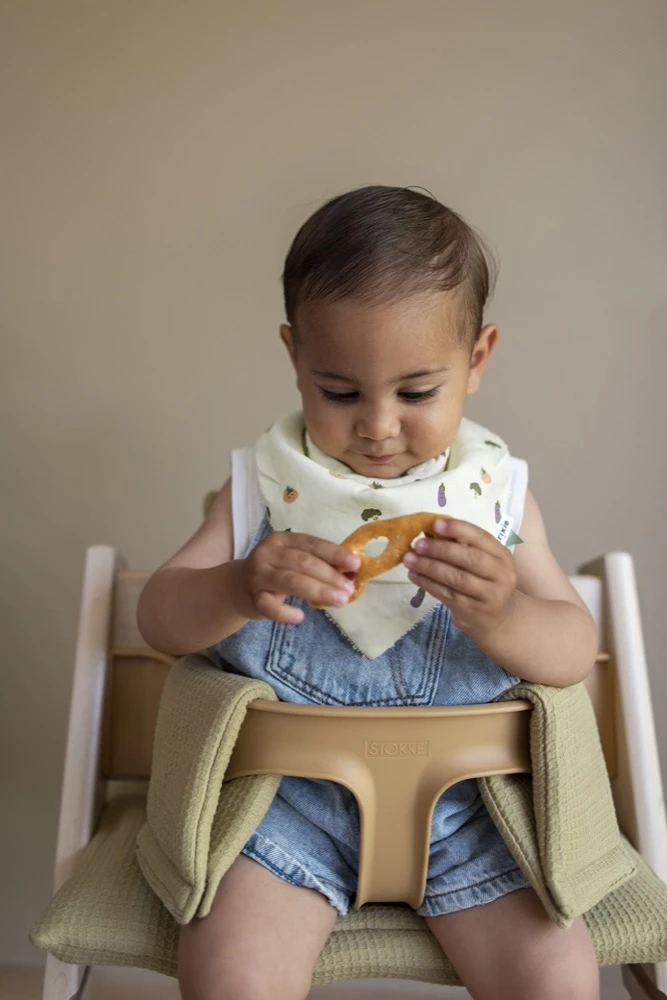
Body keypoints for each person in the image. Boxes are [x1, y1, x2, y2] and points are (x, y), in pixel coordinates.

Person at [138, 186, 600, 1000]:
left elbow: (573, 653)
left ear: (478, 358)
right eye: (339, 392)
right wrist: (239, 586)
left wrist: (505, 614)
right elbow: (159, 618)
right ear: (293, 357)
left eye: (416, 392)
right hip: (284, 813)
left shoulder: (498, 499)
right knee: (227, 973)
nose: (378, 425)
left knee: (556, 974)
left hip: (471, 816)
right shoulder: (257, 494)